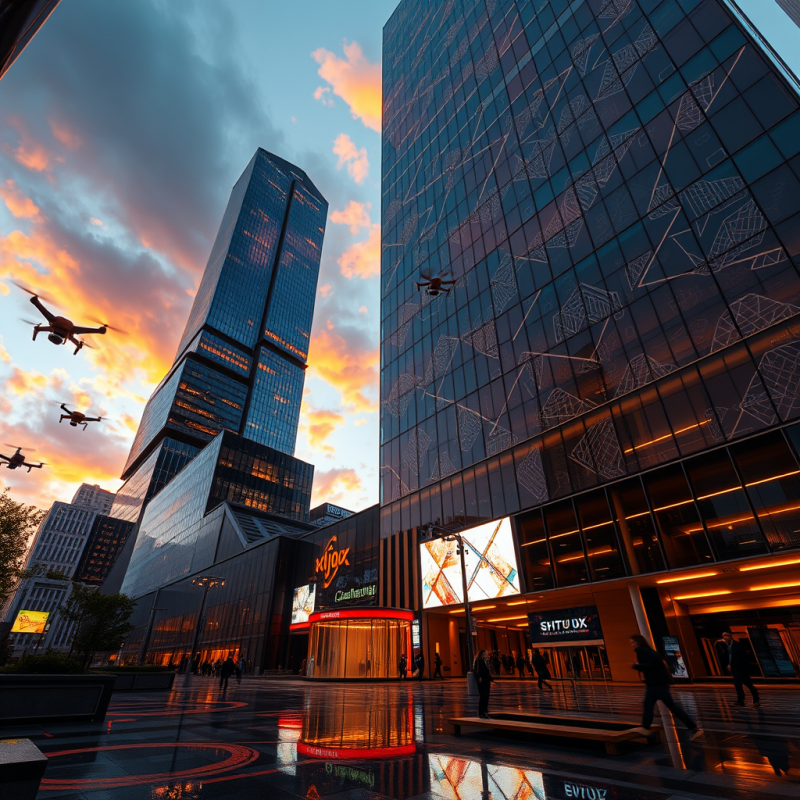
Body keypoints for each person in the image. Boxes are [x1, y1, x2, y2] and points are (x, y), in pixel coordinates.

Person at [630, 635, 702, 740]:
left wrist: (637, 666)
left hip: (655, 683)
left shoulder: (641, 651)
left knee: (649, 704)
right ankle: (694, 728)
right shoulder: (648, 651)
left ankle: (645, 727)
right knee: (671, 707)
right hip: (660, 683)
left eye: (633, 643)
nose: (632, 645)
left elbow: (651, 665)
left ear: (638, 642)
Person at [721, 632, 760, 708]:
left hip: (741, 669)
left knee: (748, 684)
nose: (724, 638)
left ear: (730, 637)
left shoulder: (736, 645)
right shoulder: (729, 646)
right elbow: (731, 657)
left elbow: (741, 657)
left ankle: (756, 700)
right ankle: (740, 701)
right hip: (735, 669)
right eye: (723, 637)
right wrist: (730, 664)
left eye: (726, 636)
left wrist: (736, 665)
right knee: (738, 685)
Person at [474, 649, 492, 719]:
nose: (486, 655)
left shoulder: (486, 661)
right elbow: (478, 671)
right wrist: (479, 677)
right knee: (483, 696)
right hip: (482, 681)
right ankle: (482, 712)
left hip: (486, 680)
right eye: (485, 654)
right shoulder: (479, 661)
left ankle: (485, 710)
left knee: (486, 696)